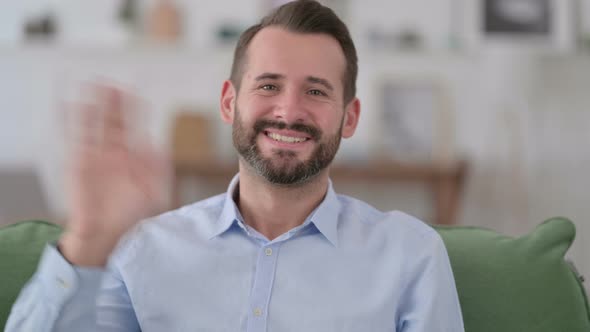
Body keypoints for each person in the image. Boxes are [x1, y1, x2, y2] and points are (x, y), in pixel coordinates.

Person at [6, 1, 464, 331]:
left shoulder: (411, 255)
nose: (289, 111)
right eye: (268, 85)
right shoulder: (140, 251)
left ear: (351, 117)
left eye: (317, 91)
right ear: (230, 102)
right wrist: (89, 240)